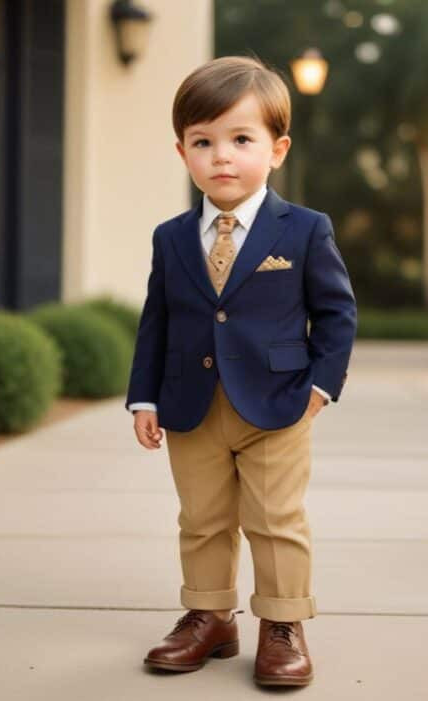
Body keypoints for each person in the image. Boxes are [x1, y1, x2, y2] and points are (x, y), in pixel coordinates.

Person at [125, 54, 357, 687]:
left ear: (276, 149)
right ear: (183, 152)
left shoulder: (305, 230)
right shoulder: (172, 237)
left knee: (276, 519)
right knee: (200, 516)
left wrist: (320, 389)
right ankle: (207, 616)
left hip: (279, 402)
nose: (222, 156)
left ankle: (283, 624)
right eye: (204, 142)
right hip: (191, 401)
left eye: (241, 139)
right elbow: (157, 320)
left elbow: (337, 313)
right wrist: (143, 397)